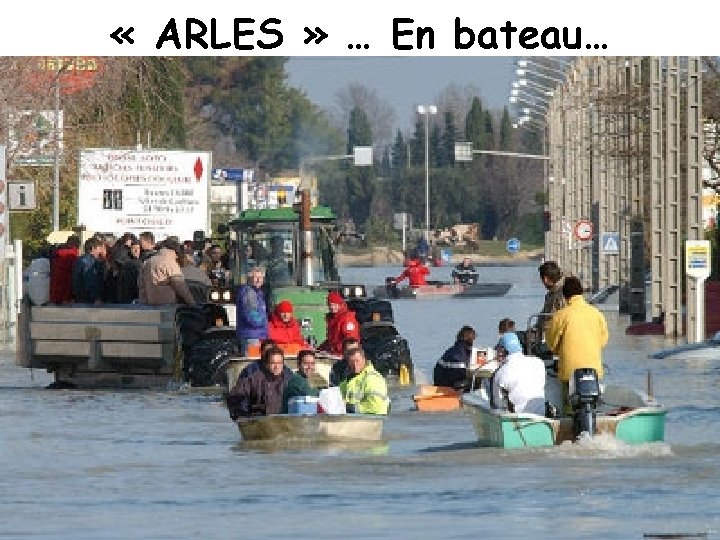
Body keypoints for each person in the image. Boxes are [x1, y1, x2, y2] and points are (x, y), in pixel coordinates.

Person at [546, 276, 609, 409]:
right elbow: (603, 340)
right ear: (581, 292)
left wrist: (559, 350)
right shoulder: (596, 313)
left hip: (569, 369)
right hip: (593, 368)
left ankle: (568, 417)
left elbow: (551, 343)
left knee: (567, 402)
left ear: (565, 296)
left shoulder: (560, 316)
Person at [226, 347, 291, 419]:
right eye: (273, 363)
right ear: (266, 364)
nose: (276, 367)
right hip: (258, 421)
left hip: (283, 420)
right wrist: (242, 415)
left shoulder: (289, 379)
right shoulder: (253, 379)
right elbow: (234, 397)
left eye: (279, 363)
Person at [491, 332, 546, 415]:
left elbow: (498, 403)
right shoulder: (539, 363)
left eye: (498, 350)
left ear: (502, 351)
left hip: (518, 419)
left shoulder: (501, 373)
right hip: (541, 415)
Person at [138, 239, 195, 306]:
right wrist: (192, 303)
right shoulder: (170, 263)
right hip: (168, 306)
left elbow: (141, 285)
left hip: (149, 306)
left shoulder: (147, 262)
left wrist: (143, 304)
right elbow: (180, 286)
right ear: (175, 252)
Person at [340, 347, 389, 415]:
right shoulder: (349, 380)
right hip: (354, 419)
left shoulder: (373, 379)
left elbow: (376, 407)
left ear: (364, 360)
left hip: (373, 420)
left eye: (357, 361)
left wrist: (351, 408)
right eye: (351, 362)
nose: (355, 365)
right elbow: (339, 398)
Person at [236, 266, 269, 355]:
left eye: (261, 277)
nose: (258, 280)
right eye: (256, 277)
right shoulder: (249, 293)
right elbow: (252, 317)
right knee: (252, 362)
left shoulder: (258, 293)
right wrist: (264, 322)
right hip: (251, 336)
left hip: (256, 335)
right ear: (250, 278)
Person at [433, 325, 476, 390]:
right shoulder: (458, 352)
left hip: (444, 379)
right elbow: (458, 373)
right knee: (475, 383)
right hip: (445, 384)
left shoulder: (459, 348)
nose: (473, 341)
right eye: (473, 339)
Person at [318, 291, 360, 355]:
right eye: (330, 305)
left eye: (334, 305)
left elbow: (351, 340)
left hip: (344, 354)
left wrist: (340, 351)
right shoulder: (332, 319)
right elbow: (331, 341)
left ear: (340, 304)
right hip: (334, 353)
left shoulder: (347, 318)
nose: (332, 307)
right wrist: (318, 350)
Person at [71, 237, 105, 304]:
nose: (100, 251)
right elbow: (90, 281)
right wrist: (95, 298)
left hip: (80, 297)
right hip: (88, 300)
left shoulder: (79, 260)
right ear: (93, 248)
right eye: (99, 248)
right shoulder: (90, 262)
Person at [50, 235, 80, 304]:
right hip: (66, 293)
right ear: (77, 245)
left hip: (54, 292)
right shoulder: (73, 255)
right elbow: (74, 275)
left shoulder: (56, 254)